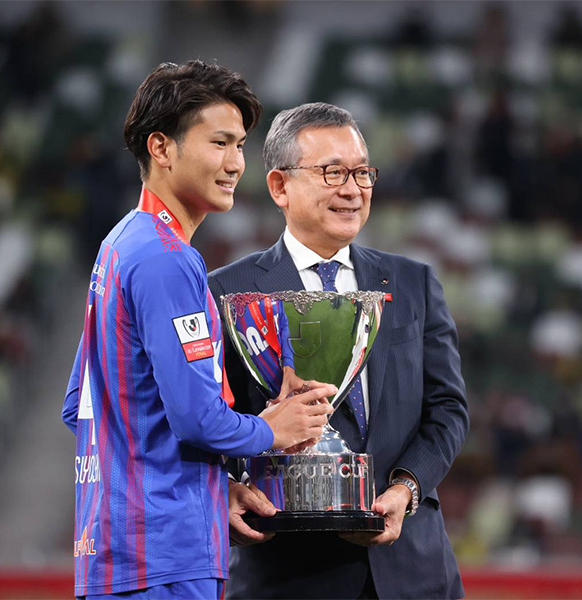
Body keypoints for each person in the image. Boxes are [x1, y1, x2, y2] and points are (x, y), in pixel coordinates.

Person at [61, 63, 335, 600]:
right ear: (161, 148)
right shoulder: (168, 259)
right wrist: (271, 430)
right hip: (165, 557)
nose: (235, 163)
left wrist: (215, 488)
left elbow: (80, 404)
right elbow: (196, 418)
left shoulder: (120, 245)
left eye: (240, 146)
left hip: (117, 553)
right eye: (219, 143)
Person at [209, 102, 469, 599]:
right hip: (288, 574)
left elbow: (448, 410)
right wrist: (225, 487)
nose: (352, 189)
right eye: (332, 172)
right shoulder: (225, 292)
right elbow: (204, 420)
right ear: (280, 186)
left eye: (362, 173)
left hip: (413, 569)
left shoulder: (413, 283)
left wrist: (406, 488)